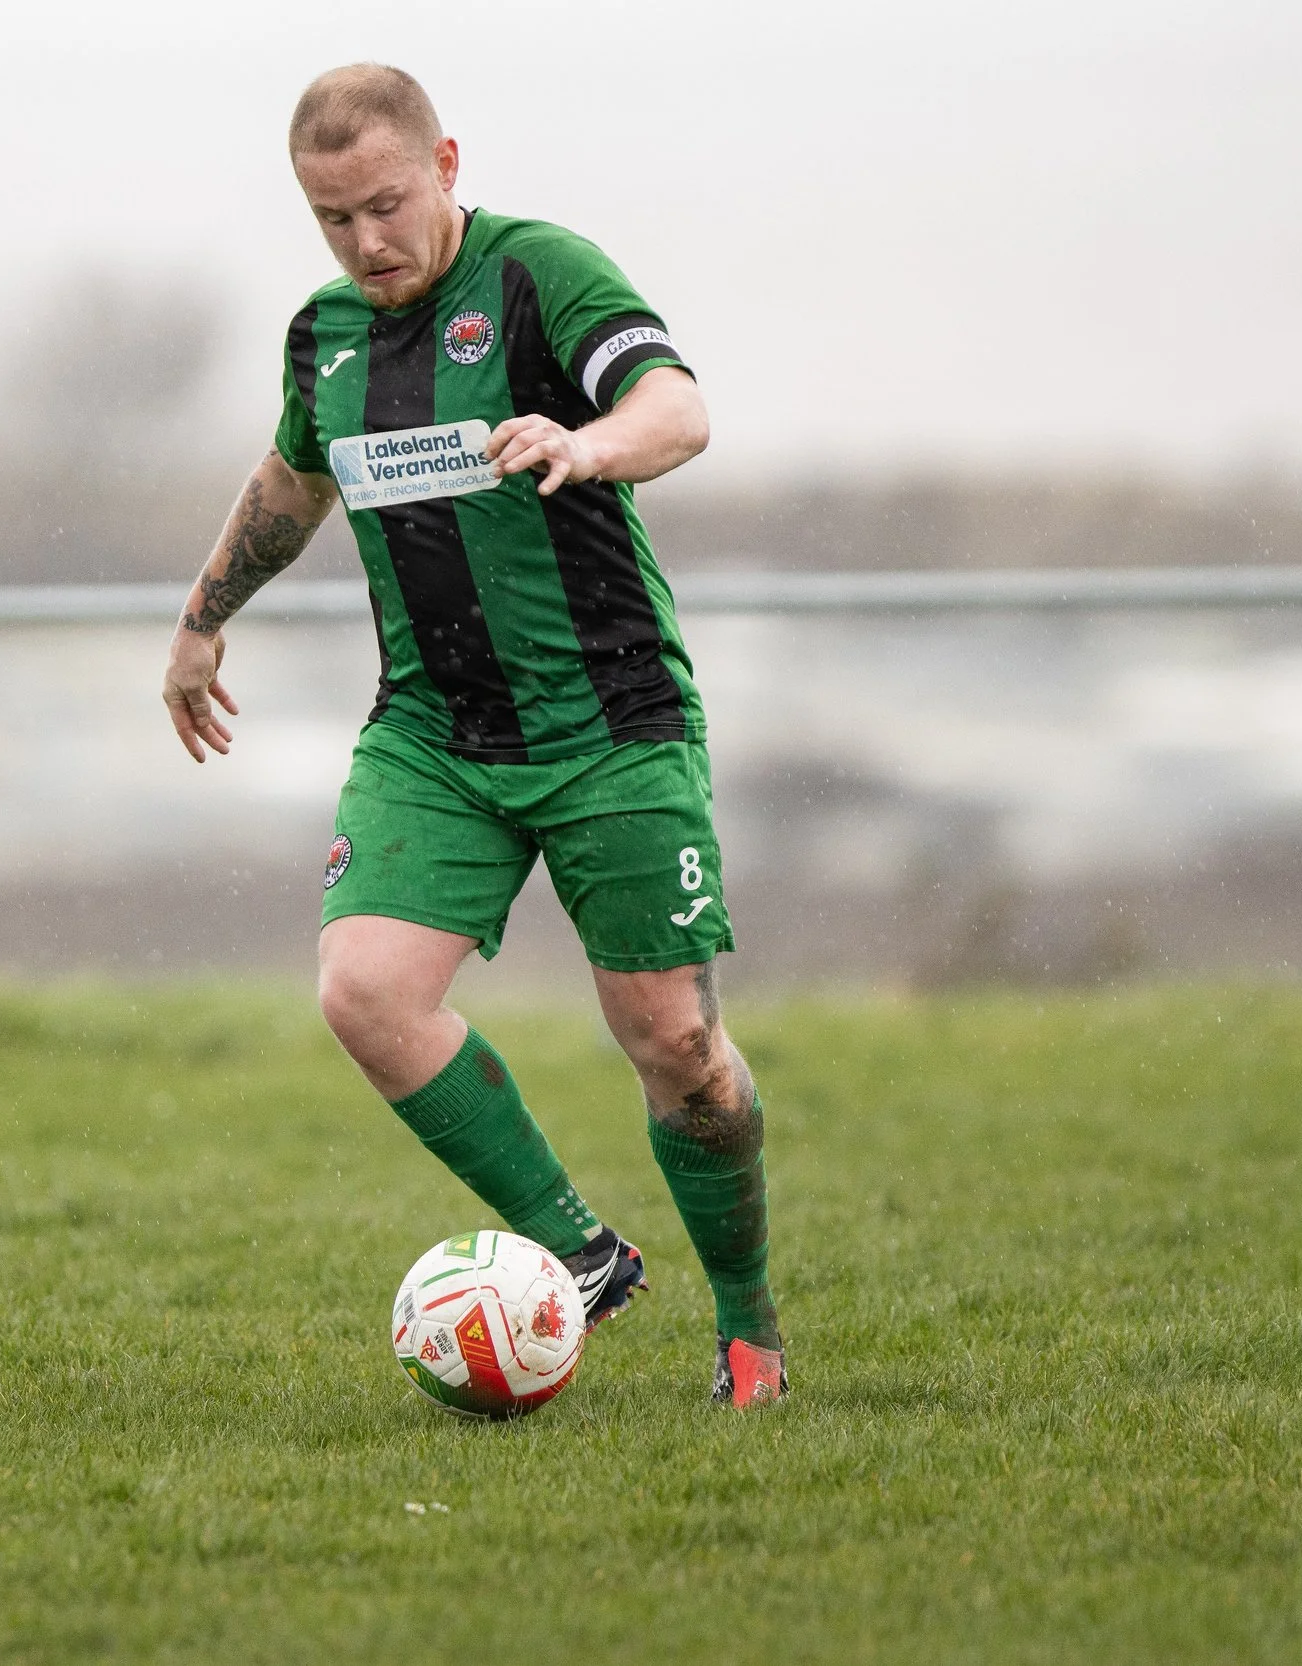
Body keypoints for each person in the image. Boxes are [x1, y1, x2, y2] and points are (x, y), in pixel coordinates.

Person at [160, 63, 785, 1407]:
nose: (366, 241)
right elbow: (290, 479)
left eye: (385, 205)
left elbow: (680, 405)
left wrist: (590, 443)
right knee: (364, 992)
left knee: (676, 1047)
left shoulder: (536, 275)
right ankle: (580, 1252)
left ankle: (750, 1331)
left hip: (610, 720)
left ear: (445, 162)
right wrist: (204, 617)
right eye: (333, 219)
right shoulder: (324, 334)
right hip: (437, 735)